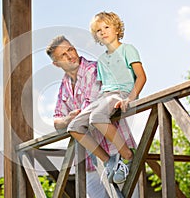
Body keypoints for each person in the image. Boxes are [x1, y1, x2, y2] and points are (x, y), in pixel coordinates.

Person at [46, 35, 137, 197]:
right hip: (91, 161)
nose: (70, 56)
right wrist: (67, 119)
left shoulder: (94, 70)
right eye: (63, 55)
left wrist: (71, 120)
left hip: (117, 151)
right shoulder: (64, 85)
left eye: (71, 49)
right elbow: (57, 120)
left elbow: (89, 112)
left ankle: (120, 159)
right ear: (56, 64)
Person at [67, 11, 147, 185]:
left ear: (117, 29)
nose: (102, 32)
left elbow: (141, 77)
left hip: (122, 93)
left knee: (97, 117)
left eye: (106, 27)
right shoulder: (101, 60)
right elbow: (103, 87)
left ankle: (127, 155)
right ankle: (108, 160)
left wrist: (130, 98)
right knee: (74, 127)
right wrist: (89, 106)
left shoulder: (128, 49)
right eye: (98, 30)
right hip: (105, 96)